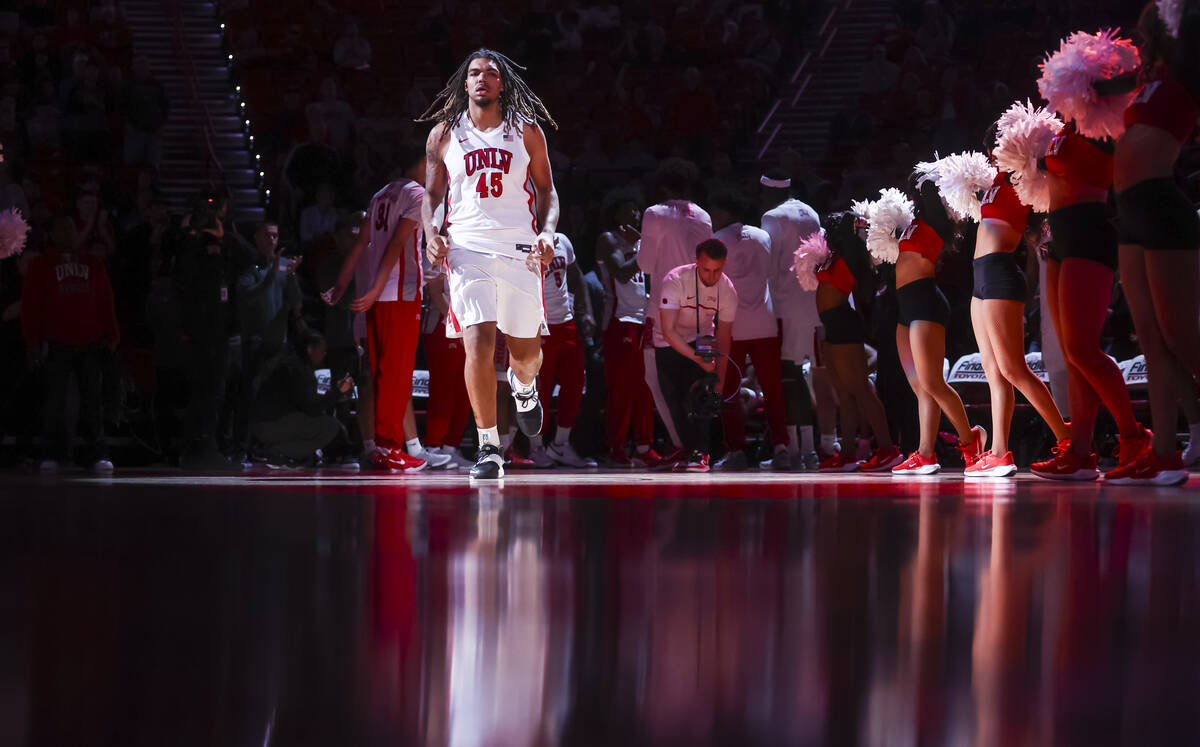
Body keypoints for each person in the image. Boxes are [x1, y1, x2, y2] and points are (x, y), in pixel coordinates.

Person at [419, 48, 560, 480]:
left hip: (520, 250)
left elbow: (548, 192)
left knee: (524, 355)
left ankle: (523, 387)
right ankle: (488, 447)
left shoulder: (527, 132)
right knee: (477, 341)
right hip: (466, 249)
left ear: (503, 84)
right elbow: (430, 195)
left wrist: (547, 233)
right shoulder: (443, 134)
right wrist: (431, 234)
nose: (482, 79)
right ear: (465, 84)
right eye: (475, 73)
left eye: (491, 73)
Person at [1024, 33, 1152, 481]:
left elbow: (1128, 85)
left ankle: (1134, 436)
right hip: (1058, 240)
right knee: (1073, 353)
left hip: (1089, 235)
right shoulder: (1066, 131)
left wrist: (1102, 73)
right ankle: (1080, 452)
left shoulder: (1106, 126)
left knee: (1082, 347)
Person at [1108, 5, 1199, 486]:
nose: (1146, 40)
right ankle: (1164, 452)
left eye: (1154, 32)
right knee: (1153, 339)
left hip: (1162, 204)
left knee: (1182, 335)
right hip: (1129, 211)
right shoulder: (1150, 81)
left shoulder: (1188, 76)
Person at [324, 144, 437, 471]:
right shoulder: (417, 195)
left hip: (377, 298)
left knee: (380, 373)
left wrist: (342, 286)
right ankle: (389, 448)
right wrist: (374, 289)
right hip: (398, 294)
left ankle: (380, 449)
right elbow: (399, 243)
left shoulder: (379, 195)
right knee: (396, 376)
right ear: (422, 165)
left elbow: (362, 244)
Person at [859, 183, 986, 475]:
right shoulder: (912, 225)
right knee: (920, 387)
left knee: (933, 383)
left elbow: (929, 190)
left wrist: (926, 179)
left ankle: (971, 444)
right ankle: (926, 454)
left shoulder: (936, 224)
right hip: (905, 306)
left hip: (926, 302)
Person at [969, 154, 1070, 478]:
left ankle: (1068, 440)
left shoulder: (1021, 177)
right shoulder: (994, 183)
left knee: (1014, 368)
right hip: (979, 276)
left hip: (1000, 273)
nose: (995, 152)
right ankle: (999, 452)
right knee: (994, 372)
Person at [800, 212, 903, 472]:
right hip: (832, 326)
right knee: (843, 394)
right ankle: (847, 453)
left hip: (845, 325)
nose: (827, 231)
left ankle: (888, 450)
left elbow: (864, 290)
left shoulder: (851, 254)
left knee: (860, 390)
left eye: (832, 227)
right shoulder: (833, 256)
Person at [21, 216, 118, 473]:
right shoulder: (42, 265)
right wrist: (32, 342)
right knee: (54, 402)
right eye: (62, 228)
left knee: (92, 402)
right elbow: (32, 306)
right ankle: (50, 453)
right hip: (56, 343)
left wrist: (112, 335)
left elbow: (105, 299)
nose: (68, 232)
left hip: (90, 343)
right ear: (52, 233)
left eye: (72, 228)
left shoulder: (92, 262)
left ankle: (97, 453)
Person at [708, 189, 791, 470]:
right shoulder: (762, 236)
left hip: (733, 328)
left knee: (729, 390)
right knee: (773, 388)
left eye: (715, 211)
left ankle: (736, 451)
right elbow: (769, 273)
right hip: (765, 322)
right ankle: (782, 447)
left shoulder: (716, 241)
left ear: (725, 212)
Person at [636, 157, 712, 460]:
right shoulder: (704, 216)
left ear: (664, 186)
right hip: (702, 310)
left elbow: (643, 264)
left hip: (666, 311)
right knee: (700, 384)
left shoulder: (654, 214)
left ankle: (685, 448)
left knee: (668, 385)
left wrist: (639, 245)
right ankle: (703, 451)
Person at [759, 169, 825, 467]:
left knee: (790, 377)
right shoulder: (810, 211)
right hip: (812, 303)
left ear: (769, 192)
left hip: (785, 306)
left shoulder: (772, 217)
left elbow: (769, 266)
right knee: (804, 376)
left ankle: (797, 449)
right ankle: (810, 447)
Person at [655, 238, 737, 473]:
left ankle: (701, 454)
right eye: (706, 270)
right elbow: (669, 331)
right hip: (667, 341)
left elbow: (724, 337)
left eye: (717, 271)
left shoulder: (728, 290)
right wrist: (696, 358)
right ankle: (690, 451)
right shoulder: (675, 280)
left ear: (724, 265)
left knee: (703, 395)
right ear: (696, 263)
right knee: (675, 400)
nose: (711, 277)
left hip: (703, 339)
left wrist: (719, 379)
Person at [595, 188, 661, 467]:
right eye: (628, 208)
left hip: (644, 320)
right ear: (615, 212)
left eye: (637, 209)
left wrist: (643, 245)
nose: (635, 213)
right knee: (621, 389)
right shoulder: (608, 239)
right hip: (619, 321)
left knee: (646, 387)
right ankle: (616, 448)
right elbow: (622, 273)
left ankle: (645, 447)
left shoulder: (640, 242)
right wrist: (645, 248)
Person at [529, 231, 597, 468]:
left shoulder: (563, 240)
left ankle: (560, 444)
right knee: (540, 389)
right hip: (539, 324)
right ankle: (535, 446)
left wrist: (586, 309)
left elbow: (577, 276)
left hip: (566, 321)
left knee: (576, 382)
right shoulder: (522, 240)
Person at [252, 330, 354, 467]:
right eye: (321, 350)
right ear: (310, 349)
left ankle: (289, 452)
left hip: (265, 423)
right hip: (270, 425)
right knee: (330, 426)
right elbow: (311, 408)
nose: (324, 354)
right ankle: (279, 452)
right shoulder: (298, 370)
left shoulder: (291, 364)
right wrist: (337, 392)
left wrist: (334, 396)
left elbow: (304, 400)